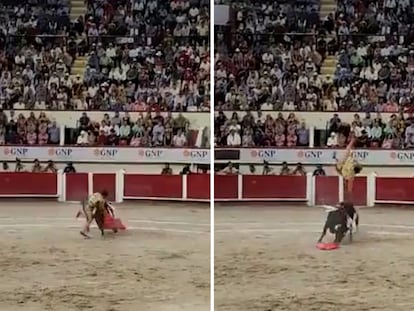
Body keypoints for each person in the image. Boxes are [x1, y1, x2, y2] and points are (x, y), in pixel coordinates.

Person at [334, 137, 363, 201]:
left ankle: (347, 202)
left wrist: (352, 141)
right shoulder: (350, 159)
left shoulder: (349, 159)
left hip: (347, 174)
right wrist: (352, 141)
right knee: (348, 189)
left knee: (347, 189)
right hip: (348, 174)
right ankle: (348, 202)